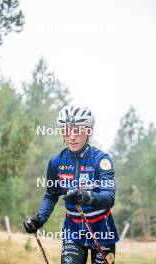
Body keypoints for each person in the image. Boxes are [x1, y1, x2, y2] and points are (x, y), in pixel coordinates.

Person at [23, 105, 119, 264]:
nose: (72, 137)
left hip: (102, 231)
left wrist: (86, 196)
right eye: (67, 131)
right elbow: (51, 195)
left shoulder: (101, 160)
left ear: (88, 132)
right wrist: (39, 220)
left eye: (78, 131)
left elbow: (109, 197)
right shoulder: (56, 162)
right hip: (73, 231)